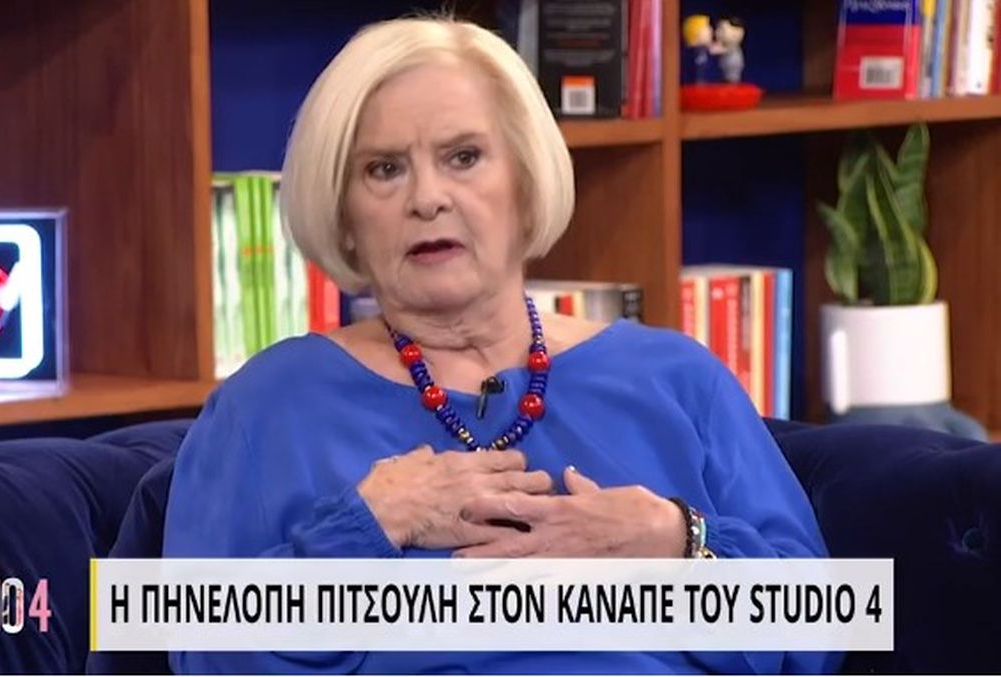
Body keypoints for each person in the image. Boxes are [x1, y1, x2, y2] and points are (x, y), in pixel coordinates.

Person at [163, 15, 837, 675]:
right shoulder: (268, 406)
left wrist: (677, 541)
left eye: (463, 157)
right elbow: (195, 645)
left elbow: (824, 624)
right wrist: (366, 528)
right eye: (384, 169)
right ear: (343, 216)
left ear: (525, 179)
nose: (428, 198)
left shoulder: (677, 379)